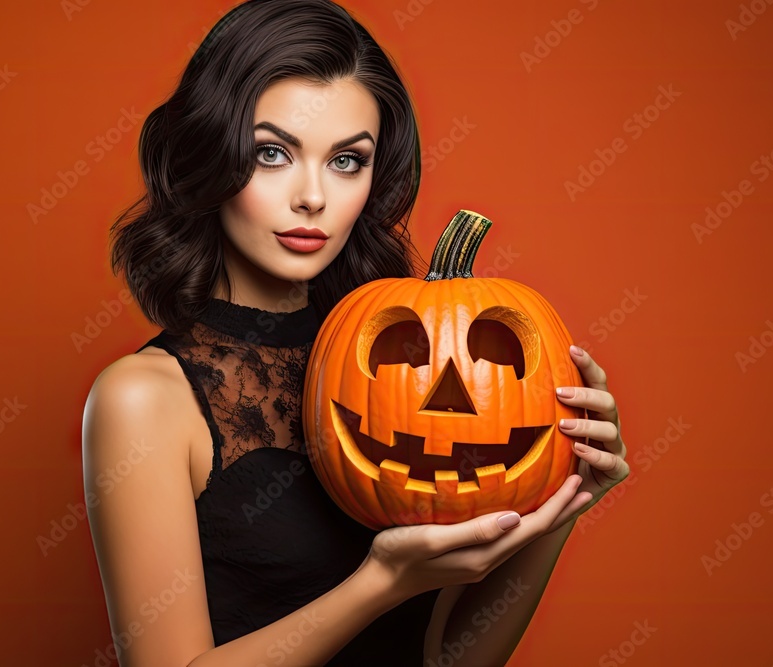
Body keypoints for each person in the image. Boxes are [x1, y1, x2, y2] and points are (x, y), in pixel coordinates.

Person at [81, 1, 631, 665]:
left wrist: (562, 497)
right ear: (212, 154)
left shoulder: (401, 351)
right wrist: (380, 583)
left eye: (347, 160)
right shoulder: (143, 398)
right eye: (273, 153)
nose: (312, 195)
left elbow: (451, 660)